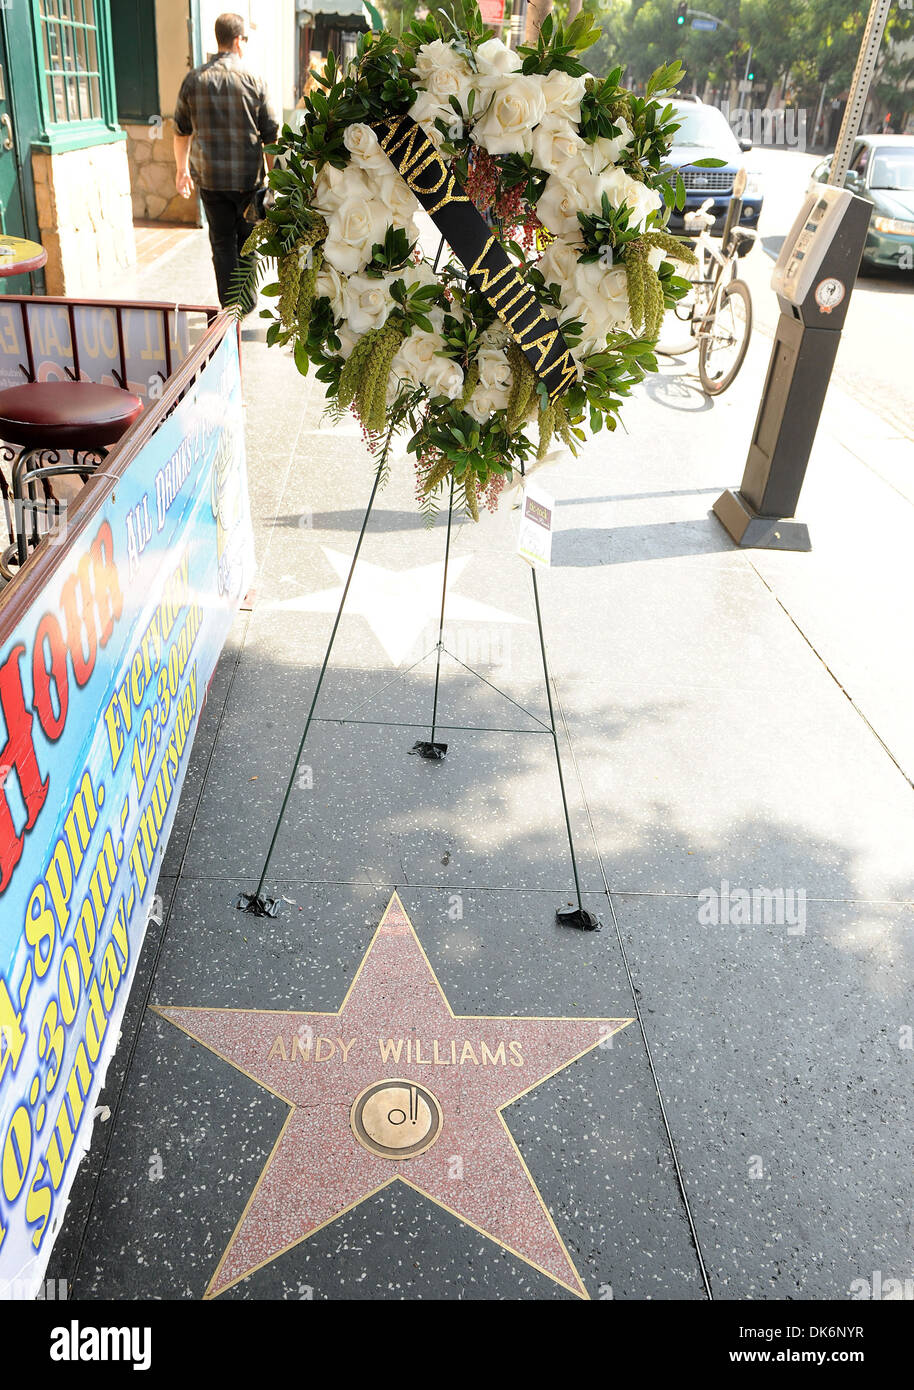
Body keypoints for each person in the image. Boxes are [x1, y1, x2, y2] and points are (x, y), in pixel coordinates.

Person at [173, 13, 279, 306]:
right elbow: (271, 135)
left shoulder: (194, 79)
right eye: (245, 39)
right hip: (248, 181)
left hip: (210, 181)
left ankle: (230, 307)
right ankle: (246, 302)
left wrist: (181, 171)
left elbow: (181, 131)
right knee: (247, 242)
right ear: (237, 40)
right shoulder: (254, 79)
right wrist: (277, 180)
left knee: (221, 243)